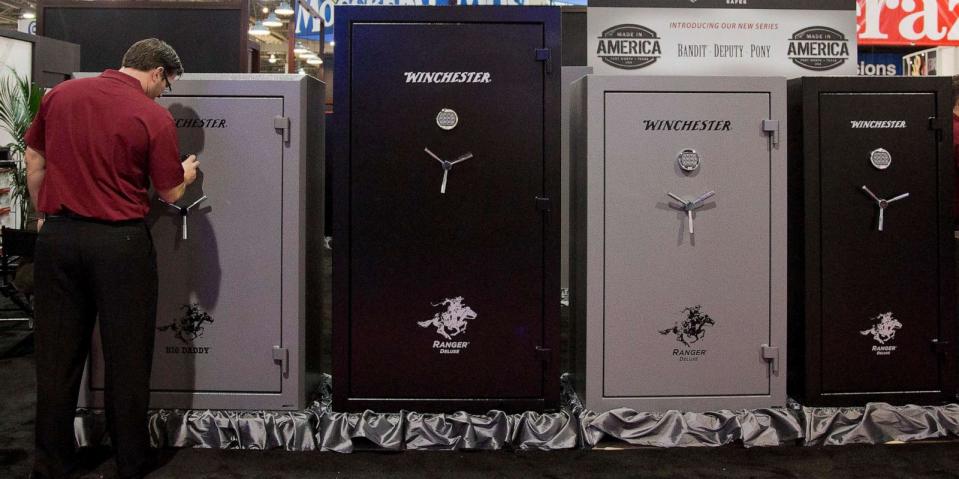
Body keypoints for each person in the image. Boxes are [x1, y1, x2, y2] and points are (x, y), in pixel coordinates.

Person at [24, 38, 199, 479]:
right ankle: (130, 460)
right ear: (158, 72)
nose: (164, 94)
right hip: (120, 245)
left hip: (59, 239)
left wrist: (43, 218)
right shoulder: (151, 115)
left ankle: (53, 463)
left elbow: (34, 158)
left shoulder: (61, 95)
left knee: (57, 358)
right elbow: (171, 191)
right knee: (127, 356)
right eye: (167, 85)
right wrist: (189, 172)